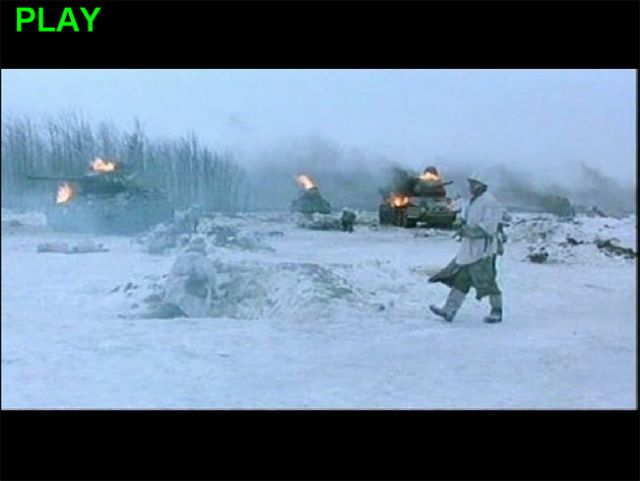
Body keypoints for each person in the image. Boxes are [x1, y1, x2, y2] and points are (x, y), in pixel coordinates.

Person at [428, 172, 508, 323]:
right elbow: (468, 219)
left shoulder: (491, 203)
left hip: (483, 252)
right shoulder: (473, 201)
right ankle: (449, 310)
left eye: (473, 183)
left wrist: (468, 231)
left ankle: (497, 311)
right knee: (461, 280)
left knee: (487, 281)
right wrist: (461, 225)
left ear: (480, 185)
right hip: (468, 251)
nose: (470, 186)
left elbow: (489, 228)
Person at [142, 236, 217, 318]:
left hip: (174, 292)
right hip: (191, 294)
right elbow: (211, 276)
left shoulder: (181, 258)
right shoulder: (202, 259)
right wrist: (213, 289)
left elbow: (171, 276)